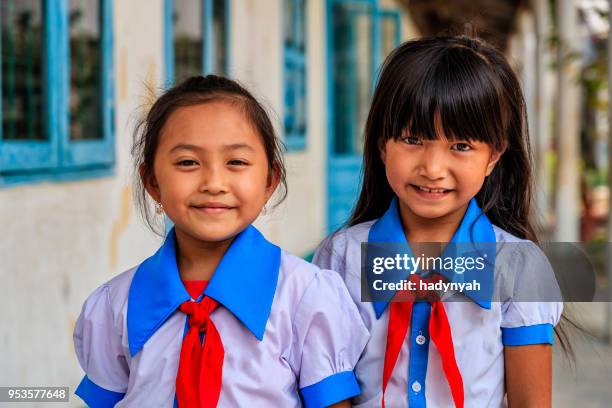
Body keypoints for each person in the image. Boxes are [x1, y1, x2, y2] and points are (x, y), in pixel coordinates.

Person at [73, 75, 368, 407]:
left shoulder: (306, 298)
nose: (214, 183)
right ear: (153, 182)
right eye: (188, 162)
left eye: (236, 162)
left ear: (269, 180)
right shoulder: (114, 306)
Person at [314, 36, 564, 407]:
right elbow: (328, 389)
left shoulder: (520, 268)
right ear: (383, 145)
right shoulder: (342, 258)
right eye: (412, 138)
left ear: (493, 156)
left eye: (460, 146)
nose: (432, 168)